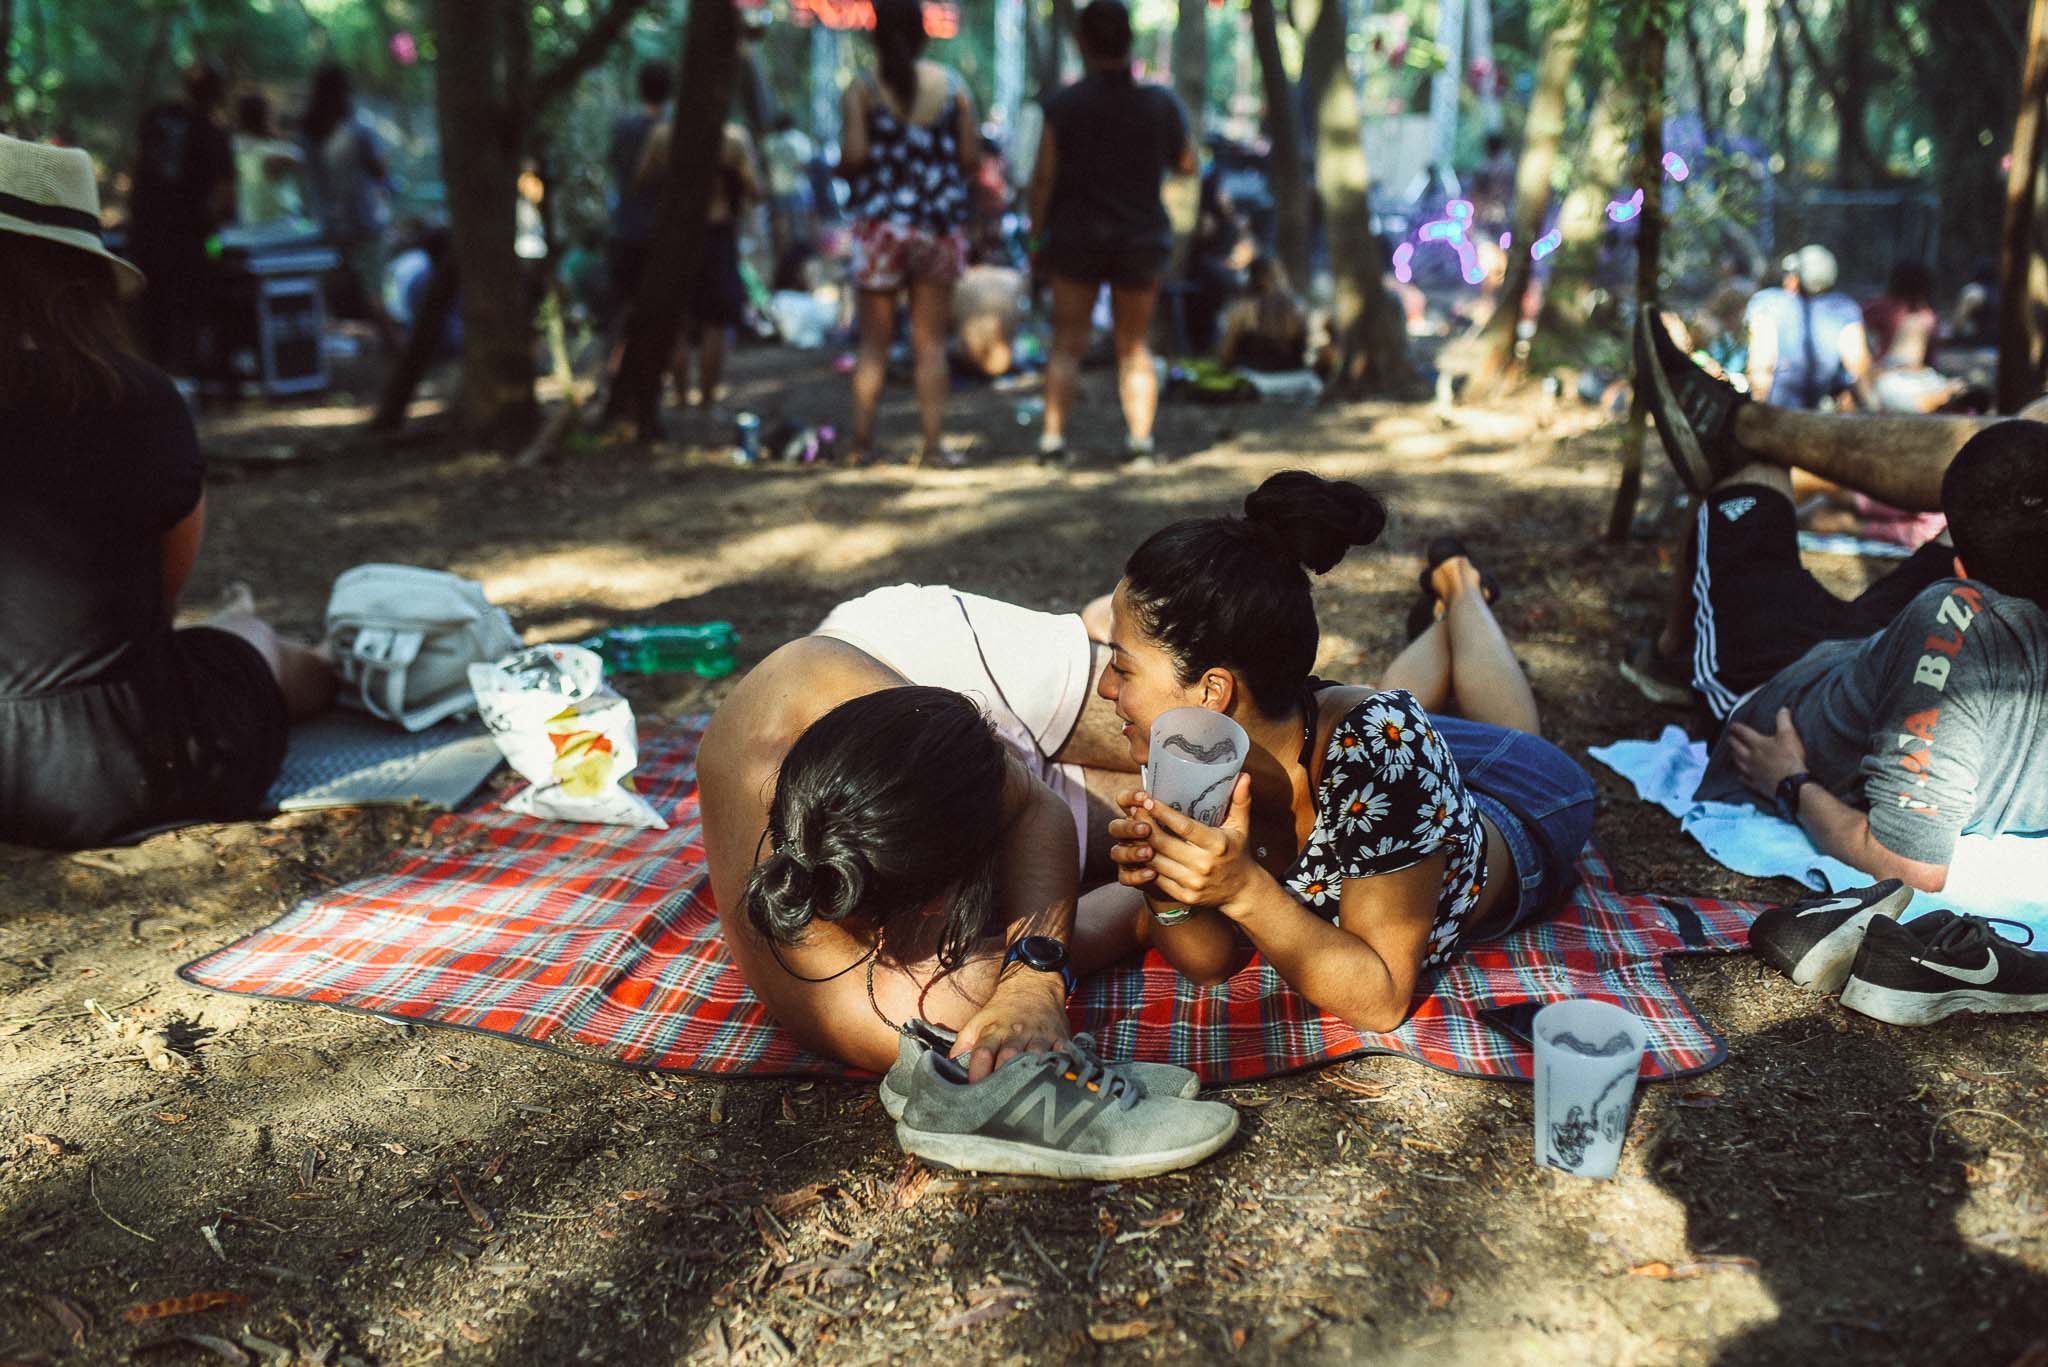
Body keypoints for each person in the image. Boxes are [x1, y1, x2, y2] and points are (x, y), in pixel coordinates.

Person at [1086, 476, 1597, 1030]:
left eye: (1122, 665)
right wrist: (1166, 889)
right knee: (1393, 727)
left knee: (1506, 735)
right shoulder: (1187, 748)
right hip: (1389, 755)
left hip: (1525, 801)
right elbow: (1210, 964)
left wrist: (1244, 889)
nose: (1106, 689)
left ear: (1213, 691)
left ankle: (1463, 586)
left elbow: (1379, 1000)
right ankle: (1446, 618)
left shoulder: (1381, 749)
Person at [1634, 307, 2048, 894]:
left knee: (1753, 476)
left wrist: (1791, 784)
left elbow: (1908, 869)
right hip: (1882, 649)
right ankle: (1745, 424)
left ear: (1964, 573)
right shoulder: (1957, 616)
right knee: (2022, 456)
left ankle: (1674, 650)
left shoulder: (1950, 622)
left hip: (1773, 685)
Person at [0, 135, 335, 850]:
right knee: (251, 640)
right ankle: (339, 662)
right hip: (132, 763)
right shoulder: (142, 400)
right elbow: (165, 590)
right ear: (83, 280)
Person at [1029, 0, 1196, 467]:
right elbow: (1187, 164)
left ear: (1082, 42)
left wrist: (1036, 239)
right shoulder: (1160, 104)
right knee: (1134, 345)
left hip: (1075, 238)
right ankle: (1140, 443)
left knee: (1067, 343)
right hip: (1140, 239)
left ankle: (1052, 443)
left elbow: (1042, 179)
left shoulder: (1063, 105)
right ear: (1130, 41)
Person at [839, 0, 979, 467]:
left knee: (873, 344)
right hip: (937, 227)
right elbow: (969, 160)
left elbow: (854, 156)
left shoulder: (862, 88)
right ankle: (934, 447)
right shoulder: (954, 87)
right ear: (922, 33)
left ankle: (861, 446)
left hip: (880, 228)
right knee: (930, 344)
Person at [635, 116, 760, 419]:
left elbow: (640, 180)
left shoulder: (663, 137)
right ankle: (706, 402)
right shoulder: (734, 140)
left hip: (675, 232)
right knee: (713, 323)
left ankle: (680, 400)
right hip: (716, 233)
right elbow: (755, 191)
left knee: (678, 317)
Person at [128, 62, 236, 377]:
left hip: (145, 234)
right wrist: (214, 227)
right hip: (187, 239)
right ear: (217, 94)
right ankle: (184, 382)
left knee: (153, 310)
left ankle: (155, 376)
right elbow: (224, 195)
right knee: (188, 310)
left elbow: (138, 168)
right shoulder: (212, 133)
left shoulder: (156, 118)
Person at [301, 63, 396, 351]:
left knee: (327, 297)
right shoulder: (357, 130)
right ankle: (399, 350)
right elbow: (380, 172)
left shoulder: (308, 133)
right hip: (363, 224)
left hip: (327, 226)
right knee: (374, 295)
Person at [1744, 243, 1870, 410]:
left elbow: (1761, 364)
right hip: (1820, 411)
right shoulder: (1844, 308)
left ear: (1796, 279)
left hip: (1778, 408)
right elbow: (1858, 367)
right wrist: (1871, 407)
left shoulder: (1769, 303)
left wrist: (1759, 408)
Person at [606, 61, 672, 322]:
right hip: (662, 230)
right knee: (662, 312)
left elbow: (615, 167)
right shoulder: (673, 131)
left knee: (628, 307)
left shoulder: (623, 128)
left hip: (627, 228)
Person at [1218, 257, 1308, 373]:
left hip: (1253, 378)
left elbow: (1226, 354)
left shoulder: (1242, 310)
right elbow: (1303, 352)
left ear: (1252, 278)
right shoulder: (1299, 308)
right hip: (1292, 377)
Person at [232, 94, 305, 227]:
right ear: (264, 118)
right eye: (270, 115)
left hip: (250, 223)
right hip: (281, 225)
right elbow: (304, 159)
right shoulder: (274, 153)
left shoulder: (235, 148)